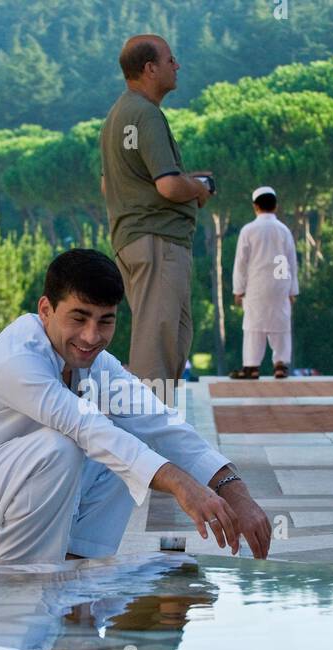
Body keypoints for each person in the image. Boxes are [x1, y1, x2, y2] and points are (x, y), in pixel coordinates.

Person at [0, 249, 272, 567]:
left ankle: (79, 576)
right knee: (64, 446)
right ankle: (25, 587)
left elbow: (160, 423)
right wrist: (181, 486)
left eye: (105, 321)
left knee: (131, 439)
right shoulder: (14, 360)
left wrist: (235, 493)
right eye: (78, 318)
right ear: (46, 309)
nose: (91, 337)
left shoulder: (94, 362)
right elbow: (84, 427)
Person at [99, 34, 213, 392]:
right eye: (169, 60)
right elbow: (168, 186)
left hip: (134, 242)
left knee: (170, 338)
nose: (176, 65)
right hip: (157, 242)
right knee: (156, 348)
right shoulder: (146, 115)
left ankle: (159, 427)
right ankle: (146, 437)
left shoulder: (117, 115)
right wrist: (197, 188)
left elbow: (108, 184)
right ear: (150, 69)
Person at [230, 186, 300, 380]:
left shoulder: (248, 230)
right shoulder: (284, 230)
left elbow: (241, 263)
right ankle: (280, 365)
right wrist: (292, 290)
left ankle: (251, 367)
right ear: (275, 206)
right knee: (281, 324)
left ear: (255, 207)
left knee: (253, 326)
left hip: (256, 286)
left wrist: (238, 289)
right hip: (280, 284)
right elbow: (291, 261)